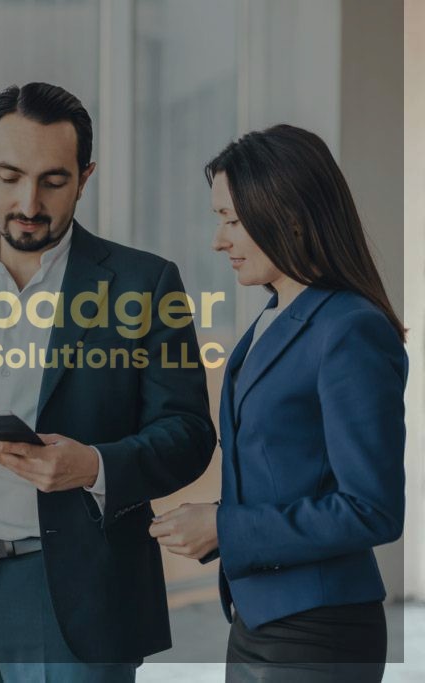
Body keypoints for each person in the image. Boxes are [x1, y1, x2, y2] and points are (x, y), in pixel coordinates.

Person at [0, 82, 216, 682]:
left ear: (85, 176)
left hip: (87, 600)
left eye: (53, 181)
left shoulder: (146, 284)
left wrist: (96, 466)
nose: (29, 202)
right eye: (9, 177)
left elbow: (188, 432)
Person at [150, 124, 407, 683]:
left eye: (233, 221)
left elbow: (373, 509)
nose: (220, 241)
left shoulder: (349, 330)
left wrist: (226, 528)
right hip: (262, 619)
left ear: (289, 217)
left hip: (319, 630)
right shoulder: (272, 319)